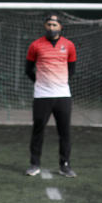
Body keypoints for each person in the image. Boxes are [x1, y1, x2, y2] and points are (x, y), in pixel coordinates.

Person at [24, 13, 78, 177]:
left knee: (65, 132)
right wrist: (41, 82)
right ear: (45, 26)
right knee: (38, 130)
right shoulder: (35, 45)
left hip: (63, 95)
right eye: (49, 24)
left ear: (60, 27)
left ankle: (65, 165)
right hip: (42, 95)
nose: (51, 27)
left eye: (55, 25)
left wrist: (58, 83)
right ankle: (34, 164)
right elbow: (28, 70)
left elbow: (72, 70)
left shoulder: (69, 45)